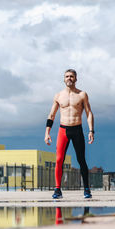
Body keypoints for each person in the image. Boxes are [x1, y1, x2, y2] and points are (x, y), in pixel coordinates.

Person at [44, 69, 94, 199]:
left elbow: (89, 113)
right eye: (67, 76)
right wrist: (47, 132)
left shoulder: (82, 95)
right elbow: (52, 115)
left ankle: (87, 189)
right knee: (59, 160)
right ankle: (57, 189)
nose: (69, 78)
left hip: (77, 129)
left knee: (81, 160)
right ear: (64, 79)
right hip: (63, 130)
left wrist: (91, 130)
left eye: (71, 76)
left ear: (76, 79)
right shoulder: (58, 96)